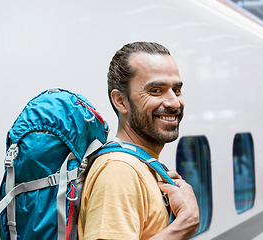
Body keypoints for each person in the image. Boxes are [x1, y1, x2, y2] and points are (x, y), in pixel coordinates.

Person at [78, 42, 200, 240]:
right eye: (156, 90)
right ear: (121, 101)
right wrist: (185, 224)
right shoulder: (119, 170)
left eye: (176, 90)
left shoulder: (140, 164)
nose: (174, 102)